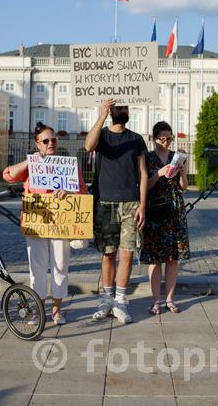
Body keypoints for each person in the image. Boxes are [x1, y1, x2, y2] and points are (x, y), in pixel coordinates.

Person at [3, 122, 87, 325]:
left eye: (54, 139)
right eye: (46, 141)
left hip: (61, 223)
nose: (51, 143)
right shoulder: (32, 165)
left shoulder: (68, 165)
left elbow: (83, 192)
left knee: (60, 265)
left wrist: (69, 192)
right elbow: (7, 175)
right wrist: (31, 161)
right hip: (37, 223)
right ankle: (38, 310)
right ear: (37, 143)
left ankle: (56, 310)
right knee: (37, 268)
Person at [85, 99, 148, 324]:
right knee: (108, 253)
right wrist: (101, 114)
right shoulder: (102, 135)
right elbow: (88, 146)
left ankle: (121, 301)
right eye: (119, 107)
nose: (124, 111)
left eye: (126, 107)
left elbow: (143, 174)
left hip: (131, 203)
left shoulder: (136, 139)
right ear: (112, 110)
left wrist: (143, 205)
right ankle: (106, 299)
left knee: (127, 253)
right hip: (105, 203)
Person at [141, 122, 190, 315]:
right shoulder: (148, 158)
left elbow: (184, 187)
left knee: (173, 258)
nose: (166, 142)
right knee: (155, 258)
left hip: (175, 209)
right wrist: (159, 173)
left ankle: (169, 299)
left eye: (169, 138)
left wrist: (182, 172)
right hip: (155, 210)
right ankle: (156, 301)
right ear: (154, 138)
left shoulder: (175, 157)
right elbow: (145, 186)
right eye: (162, 138)